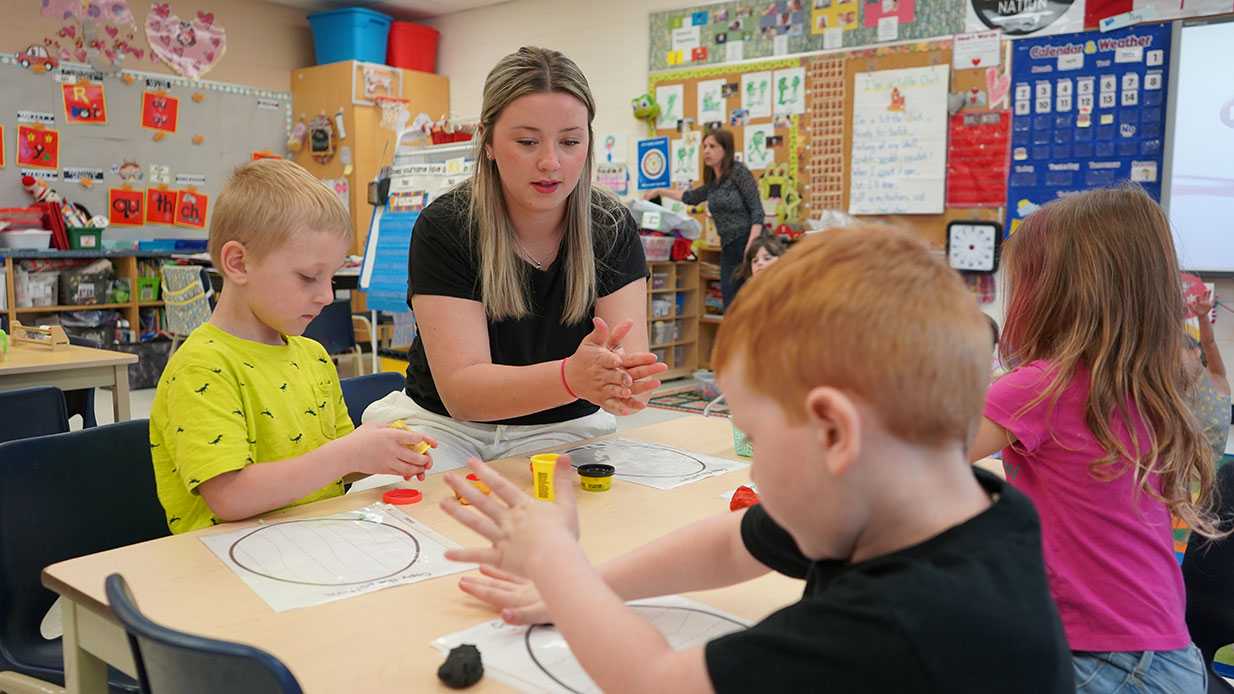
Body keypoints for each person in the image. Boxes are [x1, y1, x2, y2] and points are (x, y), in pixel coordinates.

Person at [439, 227, 1074, 693]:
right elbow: (736, 542)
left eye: (757, 439)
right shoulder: (958, 506)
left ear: (834, 432)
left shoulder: (898, 628)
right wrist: (588, 588)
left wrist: (558, 564)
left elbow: (655, 681)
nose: (754, 471)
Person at [361, 47, 666, 483]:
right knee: (397, 511)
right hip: (446, 428)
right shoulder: (446, 225)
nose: (551, 162)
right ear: (487, 141)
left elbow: (628, 364)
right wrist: (572, 377)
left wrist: (625, 384)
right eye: (527, 142)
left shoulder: (611, 226)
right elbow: (464, 394)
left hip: (566, 428)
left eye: (570, 142)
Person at [968, 186, 1223, 692]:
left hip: (1103, 663)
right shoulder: (1138, 385)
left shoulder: (1042, 387)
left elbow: (912, 459)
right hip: (1164, 658)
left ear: (1051, 294)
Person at [149, 159, 435, 533]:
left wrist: (376, 452)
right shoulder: (201, 367)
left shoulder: (313, 356)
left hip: (312, 539)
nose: (327, 296)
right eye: (309, 277)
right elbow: (230, 497)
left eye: (331, 278)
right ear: (239, 263)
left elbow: (331, 467)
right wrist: (346, 453)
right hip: (226, 556)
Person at [644, 128, 764, 309]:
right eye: (705, 146)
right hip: (729, 247)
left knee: (754, 303)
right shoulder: (714, 184)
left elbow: (757, 212)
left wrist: (751, 248)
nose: (706, 151)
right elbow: (690, 197)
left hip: (749, 243)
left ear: (725, 149)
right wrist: (660, 191)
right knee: (731, 304)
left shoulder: (739, 172)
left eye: (712, 146)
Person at [1184, 293, 1230, 466]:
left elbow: (1209, 343)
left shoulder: (1217, 377)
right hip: (1183, 467)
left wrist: (1203, 317)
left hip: (1206, 468)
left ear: (1196, 352)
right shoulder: (1180, 387)